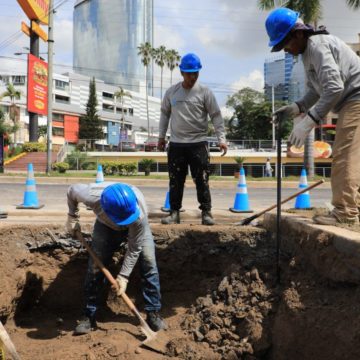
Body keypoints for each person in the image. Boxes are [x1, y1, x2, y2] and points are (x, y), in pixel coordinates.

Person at [265, 7, 360, 225]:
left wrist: (309, 121)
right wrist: (296, 108)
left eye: (285, 44)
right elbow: (317, 90)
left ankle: (345, 214)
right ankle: (354, 209)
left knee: (344, 155)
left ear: (298, 33)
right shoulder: (308, 53)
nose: (285, 50)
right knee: (354, 159)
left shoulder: (317, 47)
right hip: (352, 99)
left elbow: (334, 87)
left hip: (356, 98)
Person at [65, 182, 166, 335]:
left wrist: (123, 277)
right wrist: (72, 216)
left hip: (137, 226)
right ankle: (89, 315)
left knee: (149, 262)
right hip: (105, 226)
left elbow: (134, 248)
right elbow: (72, 191)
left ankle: (153, 312)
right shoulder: (91, 196)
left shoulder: (138, 213)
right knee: (95, 267)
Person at [158, 53, 228, 226]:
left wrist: (222, 138)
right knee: (175, 181)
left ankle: (206, 212)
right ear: (182, 72)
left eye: (196, 73)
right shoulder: (172, 92)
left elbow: (216, 116)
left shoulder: (205, 92)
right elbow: (164, 115)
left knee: (202, 180)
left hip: (198, 144)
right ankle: (174, 213)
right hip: (176, 145)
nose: (193, 76)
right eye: (189, 73)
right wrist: (160, 137)